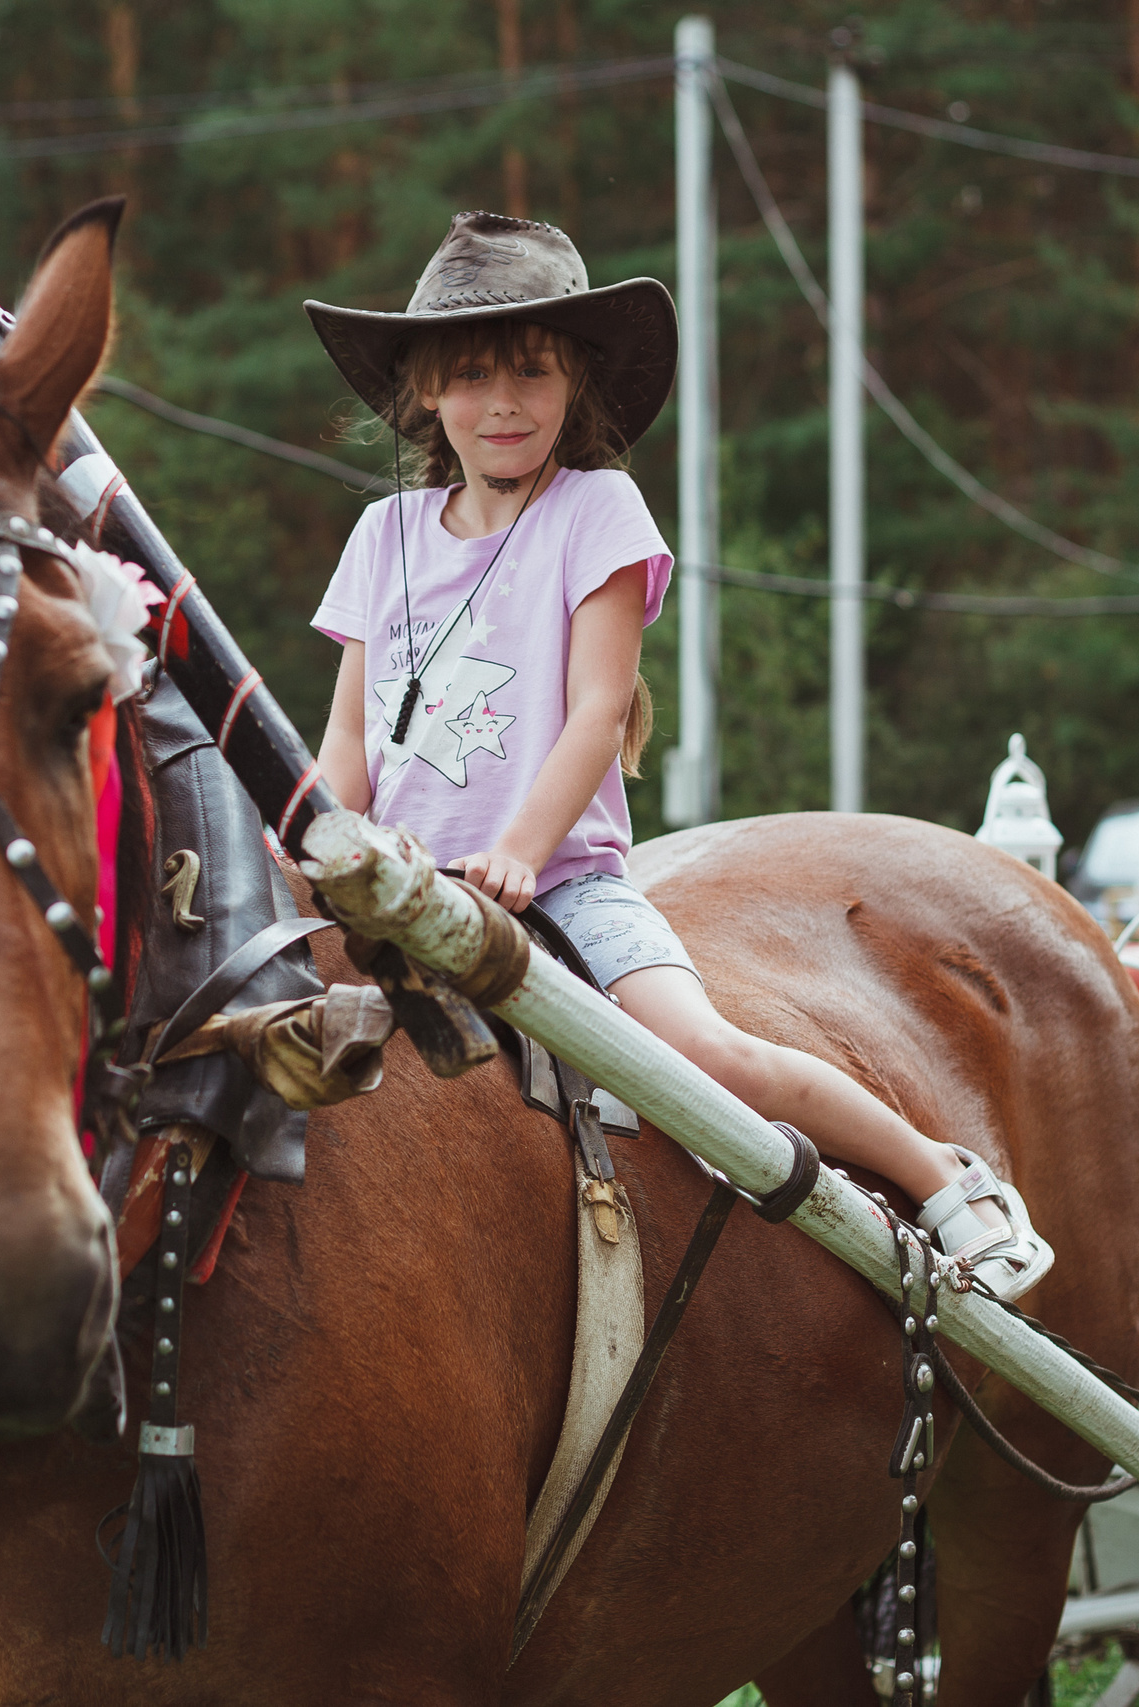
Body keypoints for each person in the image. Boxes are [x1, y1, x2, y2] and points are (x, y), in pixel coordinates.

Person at [302, 211, 1052, 1298]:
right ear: (425, 391)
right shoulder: (384, 537)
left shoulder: (593, 510)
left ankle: (943, 1180)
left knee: (705, 1060)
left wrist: (517, 855)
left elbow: (597, 709)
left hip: (556, 884)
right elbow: (349, 732)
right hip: (404, 893)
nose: (502, 403)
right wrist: (323, 847)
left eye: (530, 373)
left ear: (575, 386)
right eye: (470, 375)